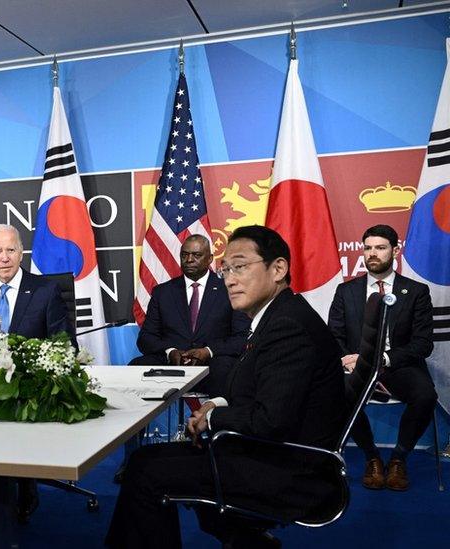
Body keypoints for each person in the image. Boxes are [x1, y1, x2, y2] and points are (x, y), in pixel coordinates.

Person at [106, 225, 346, 549]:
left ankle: (244, 536)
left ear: (278, 269)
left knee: (145, 469)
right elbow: (256, 392)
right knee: (149, 461)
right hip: (271, 453)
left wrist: (213, 418)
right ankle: (246, 539)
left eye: (241, 266)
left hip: (292, 470)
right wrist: (216, 404)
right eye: (226, 268)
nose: (230, 278)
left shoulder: (288, 327)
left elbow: (269, 420)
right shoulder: (275, 317)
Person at [0, 224, 73, 523]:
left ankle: (26, 485)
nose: (5, 257)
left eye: (11, 250)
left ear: (21, 252)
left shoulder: (46, 291)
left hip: (31, 384)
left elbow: (64, 343)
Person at [328, 224, 435, 491]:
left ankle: (399, 458)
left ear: (395, 251)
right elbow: (334, 335)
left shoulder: (416, 292)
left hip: (397, 364)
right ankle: (372, 457)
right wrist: (345, 358)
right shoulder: (346, 291)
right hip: (357, 366)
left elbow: (423, 344)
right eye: (368, 248)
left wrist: (384, 359)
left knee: (426, 396)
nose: (372, 253)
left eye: (380, 247)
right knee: (337, 395)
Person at [131, 234, 250, 396]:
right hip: (172, 364)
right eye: (184, 255)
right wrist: (170, 351)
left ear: (209, 259)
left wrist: (208, 351)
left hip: (213, 364)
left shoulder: (229, 289)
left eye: (196, 255)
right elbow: (146, 338)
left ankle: (214, 419)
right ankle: (140, 421)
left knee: (227, 368)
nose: (189, 259)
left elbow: (242, 338)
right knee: (136, 367)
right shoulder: (163, 292)